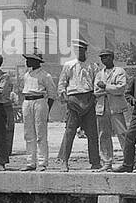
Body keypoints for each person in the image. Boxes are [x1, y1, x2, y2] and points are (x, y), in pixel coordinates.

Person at [56, 38, 102, 171]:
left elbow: (97, 83)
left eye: (81, 50)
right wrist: (66, 98)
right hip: (73, 100)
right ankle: (64, 161)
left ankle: (95, 162)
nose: (79, 52)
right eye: (76, 50)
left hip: (88, 99)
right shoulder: (68, 65)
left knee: (92, 134)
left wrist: (94, 97)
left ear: (85, 51)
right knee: (69, 132)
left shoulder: (93, 66)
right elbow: (62, 83)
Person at [18, 51, 57, 171]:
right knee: (28, 133)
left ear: (36, 61)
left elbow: (52, 94)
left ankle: (42, 162)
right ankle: (30, 162)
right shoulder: (26, 75)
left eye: (30, 59)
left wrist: (46, 109)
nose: (27, 61)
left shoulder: (45, 75)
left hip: (39, 101)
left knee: (40, 133)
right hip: (27, 101)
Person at [94, 49, 129, 170]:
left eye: (107, 57)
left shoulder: (119, 71)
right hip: (102, 107)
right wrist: (109, 89)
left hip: (116, 107)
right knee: (103, 135)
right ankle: (107, 162)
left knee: (123, 133)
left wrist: (105, 87)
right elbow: (96, 91)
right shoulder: (99, 74)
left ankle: (130, 160)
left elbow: (120, 88)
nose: (105, 59)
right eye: (102, 57)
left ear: (112, 57)